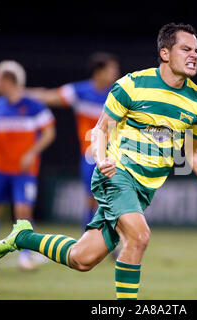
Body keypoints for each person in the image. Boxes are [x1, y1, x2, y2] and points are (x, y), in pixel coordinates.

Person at [0, 23, 197, 300]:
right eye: (186, 49)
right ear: (165, 53)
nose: (194, 55)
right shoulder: (133, 85)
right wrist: (102, 159)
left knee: (82, 258)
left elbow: (195, 151)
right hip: (117, 175)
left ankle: (22, 236)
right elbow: (100, 130)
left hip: (144, 189)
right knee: (139, 237)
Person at [0, 60, 56, 271]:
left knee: (23, 212)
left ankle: (25, 257)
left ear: (9, 80)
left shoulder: (33, 106)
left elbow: (49, 132)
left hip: (24, 172)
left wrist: (31, 152)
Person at [26, 52, 120, 233]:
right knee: (92, 199)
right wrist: (21, 92)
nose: (115, 73)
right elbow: (49, 96)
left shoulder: (117, 93)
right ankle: (90, 238)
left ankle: (112, 242)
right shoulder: (80, 92)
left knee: (115, 199)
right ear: (99, 71)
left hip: (115, 156)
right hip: (91, 155)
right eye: (111, 70)